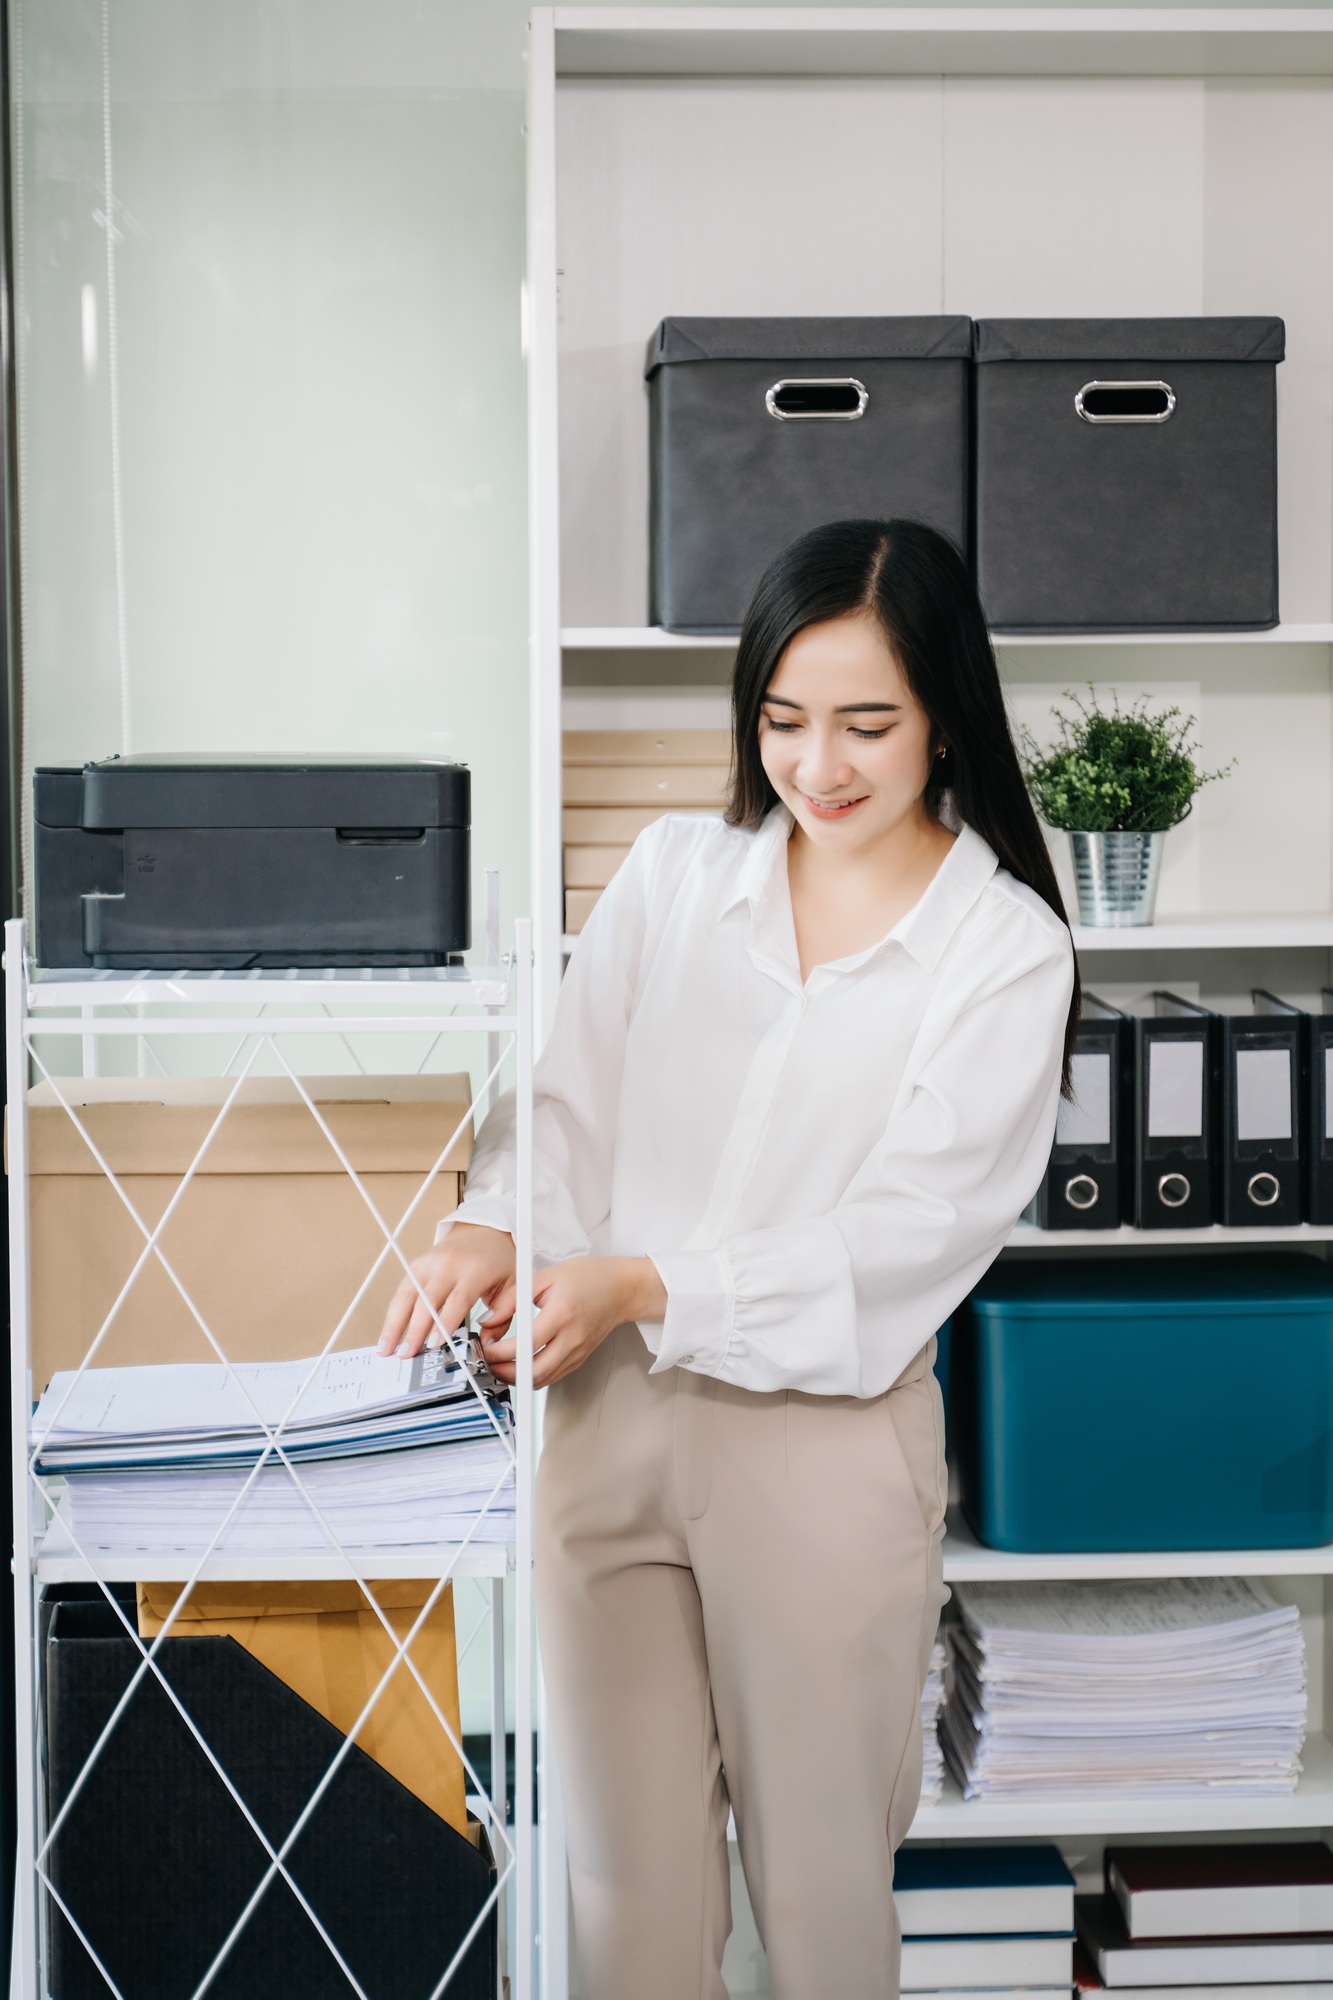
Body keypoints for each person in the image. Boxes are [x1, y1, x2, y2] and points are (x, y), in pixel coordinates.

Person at [379, 517, 1078, 2000]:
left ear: (944, 714)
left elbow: (908, 1234)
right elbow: (568, 1094)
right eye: (781, 720)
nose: (817, 764)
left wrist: (649, 1281)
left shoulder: (1001, 949)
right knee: (625, 1901)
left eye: (865, 724)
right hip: (606, 1420)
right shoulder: (673, 871)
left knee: (820, 1904)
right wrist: (492, 1223)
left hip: (822, 1450)